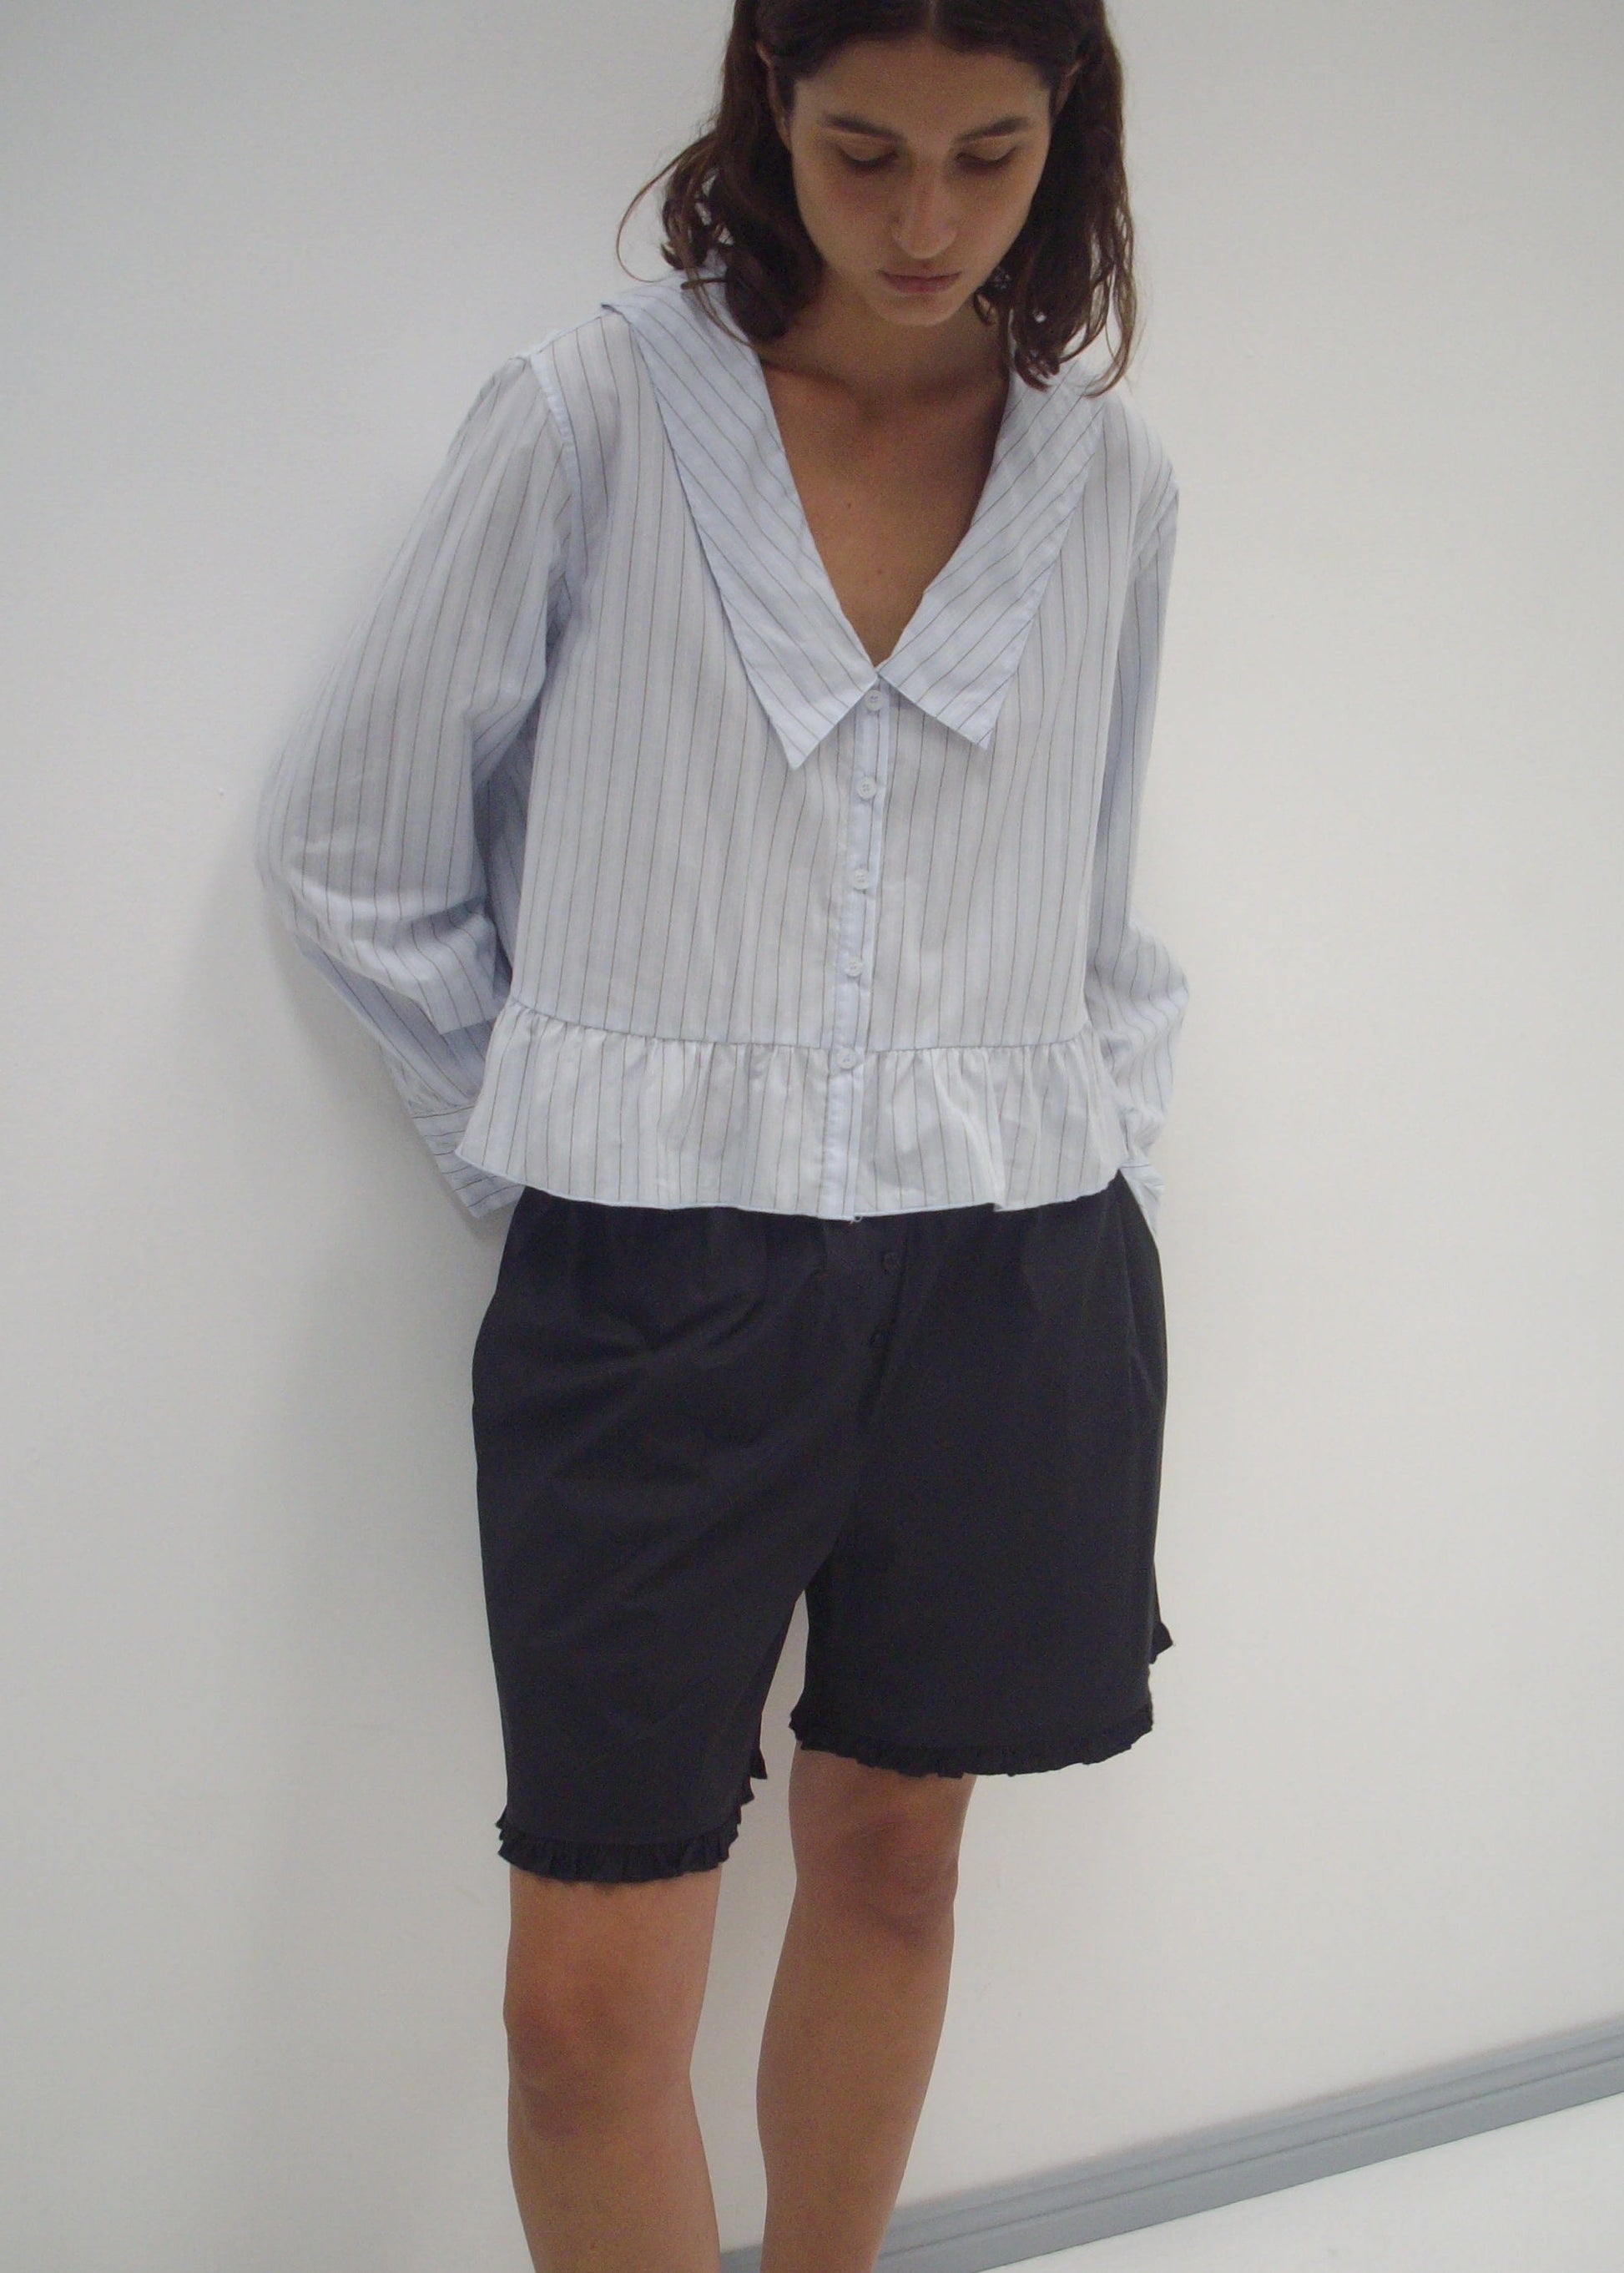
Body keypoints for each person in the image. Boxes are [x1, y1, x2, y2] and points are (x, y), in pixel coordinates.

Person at [255, 3, 1188, 2265]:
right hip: (648, 1288)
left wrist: (1090, 1157)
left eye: (986, 156)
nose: (922, 221)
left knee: (894, 1854)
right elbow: (355, 846)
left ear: (1064, 146)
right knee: (586, 2007)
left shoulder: (1107, 478)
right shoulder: (593, 414)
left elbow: (1088, 905)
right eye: (860, 149)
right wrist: (547, 1152)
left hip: (1010, 1277)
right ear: (759, 108)